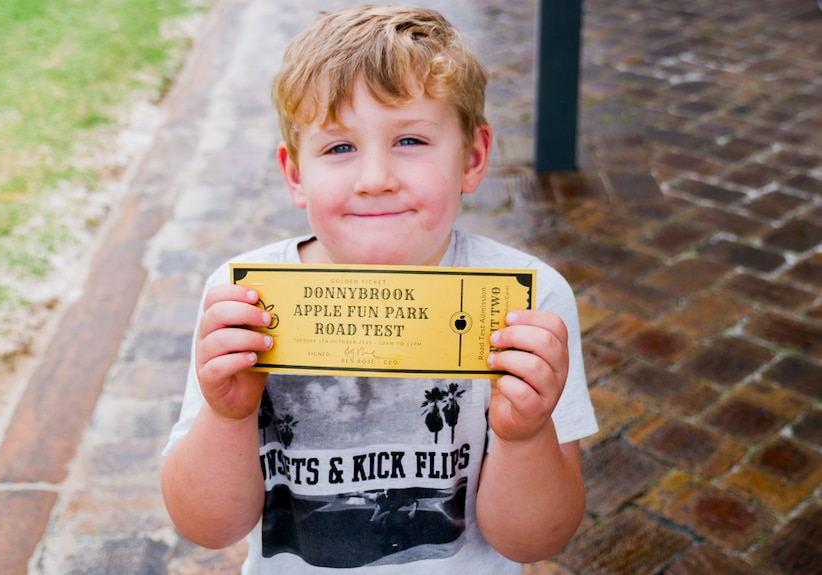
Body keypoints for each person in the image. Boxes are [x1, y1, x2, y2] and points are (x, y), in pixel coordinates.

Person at [161, 4, 598, 574]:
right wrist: (226, 415)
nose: (375, 180)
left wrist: (523, 436)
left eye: (410, 140)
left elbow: (536, 540)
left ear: (473, 156)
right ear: (296, 174)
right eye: (339, 148)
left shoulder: (532, 304)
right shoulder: (243, 303)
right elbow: (205, 527)